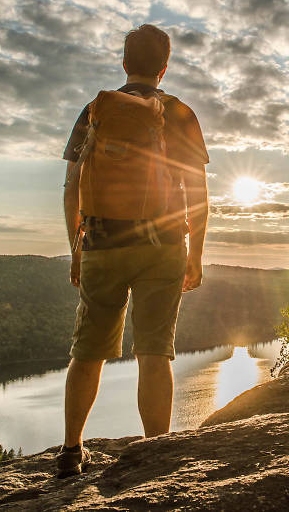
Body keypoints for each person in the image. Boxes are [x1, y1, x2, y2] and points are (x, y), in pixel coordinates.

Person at [57, 24, 209, 478]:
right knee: (155, 350)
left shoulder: (96, 110)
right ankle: (156, 454)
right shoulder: (179, 112)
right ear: (164, 67)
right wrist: (196, 254)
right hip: (162, 246)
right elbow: (198, 192)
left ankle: (70, 451)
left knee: (88, 351)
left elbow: (71, 188)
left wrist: (76, 249)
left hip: (102, 241)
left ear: (125, 63)